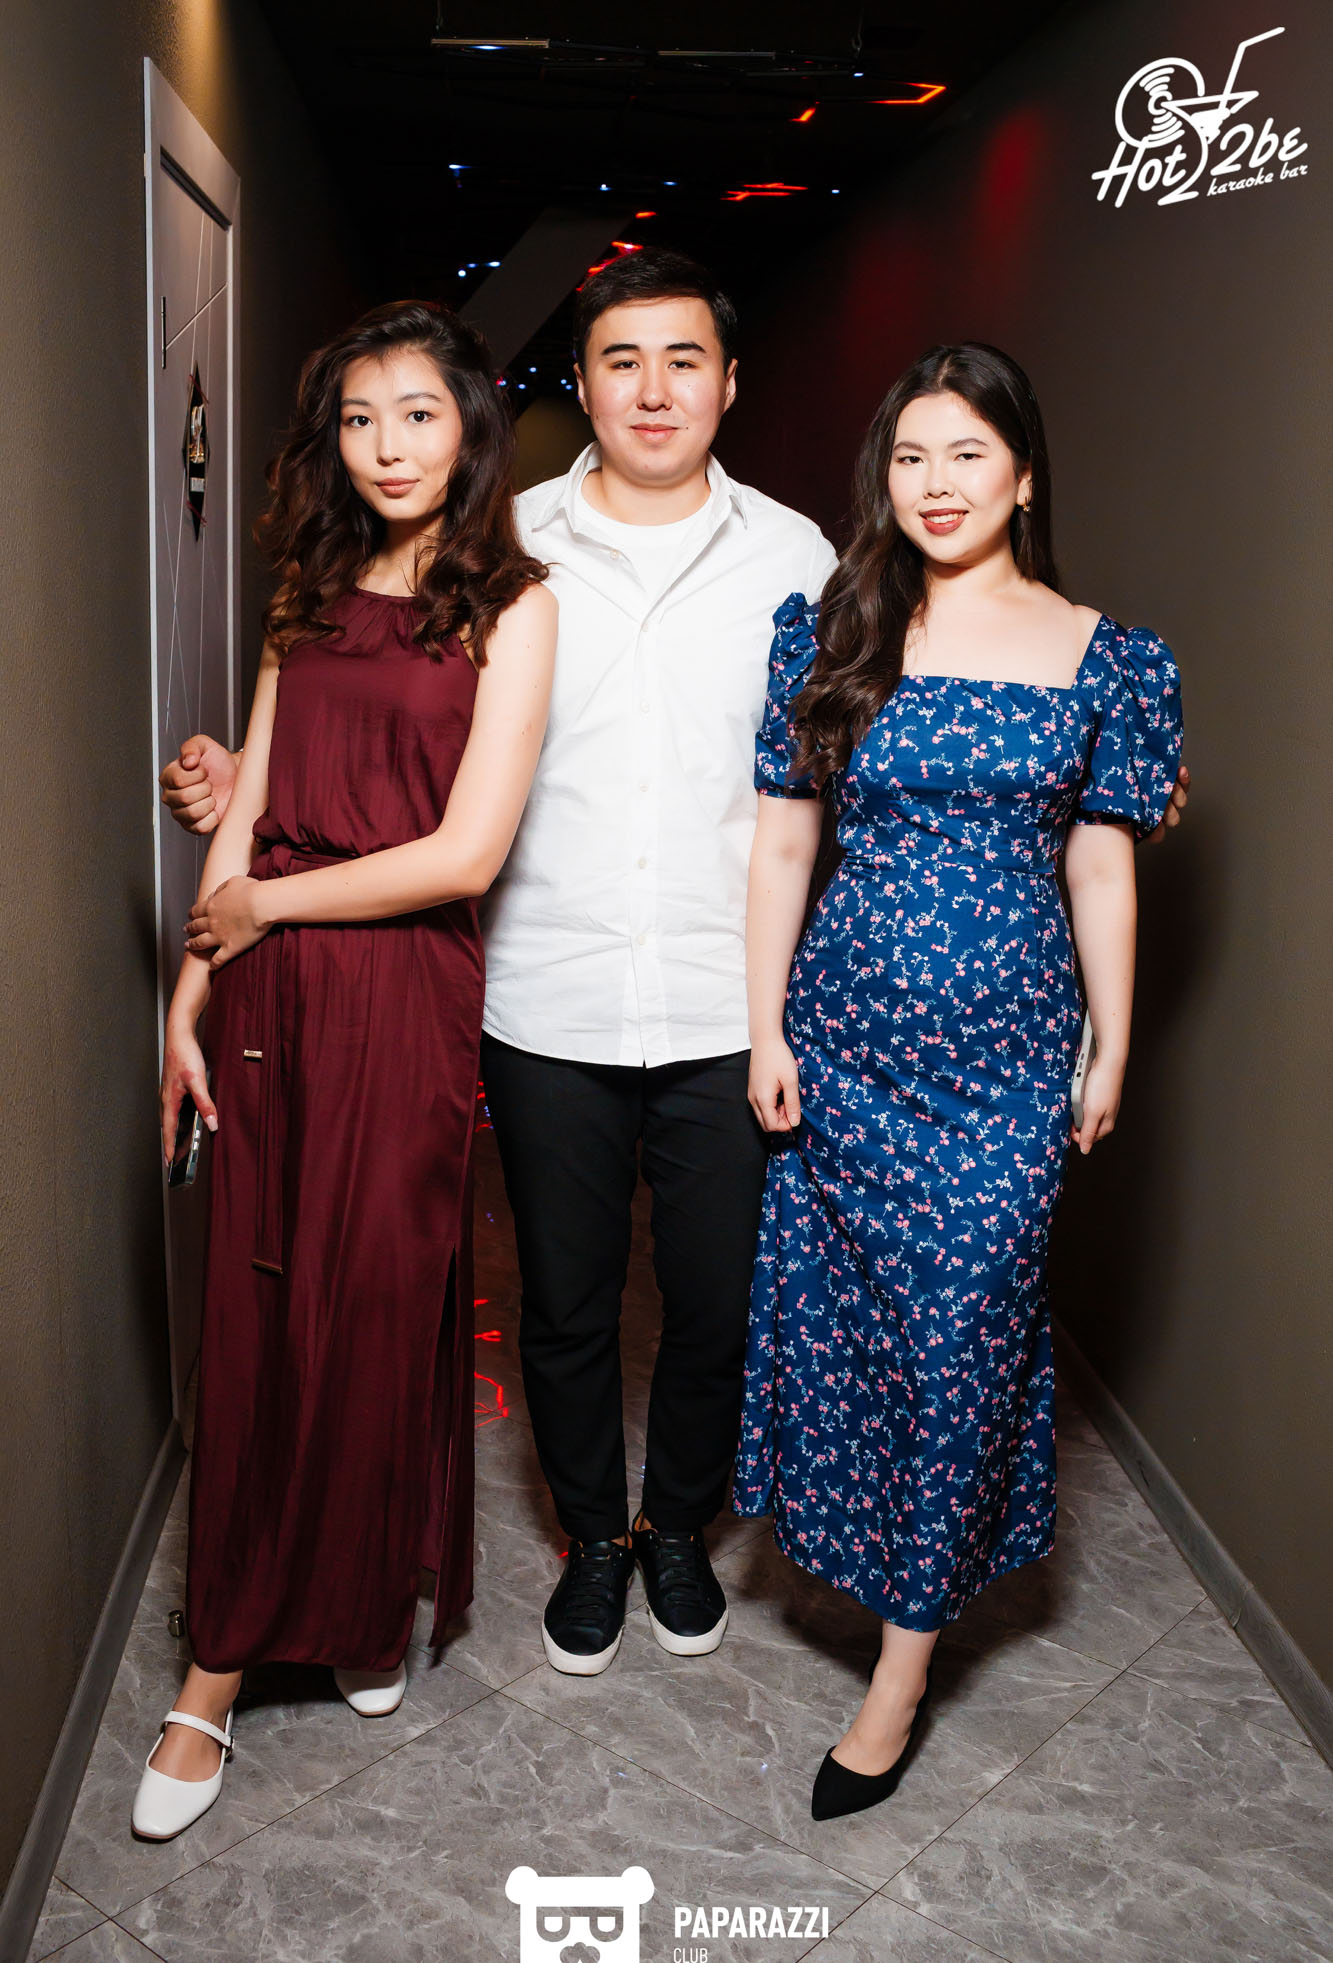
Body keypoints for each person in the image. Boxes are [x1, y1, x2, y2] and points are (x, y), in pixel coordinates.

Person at [159, 256, 1191, 1689]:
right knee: (566, 1305)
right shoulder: (496, 547)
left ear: (728, 383)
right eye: (620, 361)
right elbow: (378, 713)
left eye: (683, 360)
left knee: (717, 1306)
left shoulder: (807, 565)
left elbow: (922, 734)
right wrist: (242, 787)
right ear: (576, 385)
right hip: (544, 989)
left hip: (734, 1003)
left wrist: (1109, 787)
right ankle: (593, 1536)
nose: (652, 390)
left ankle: (678, 1530)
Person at [735, 342, 1184, 1823]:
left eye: (967, 455)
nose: (935, 484)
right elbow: (784, 843)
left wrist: (1112, 1041)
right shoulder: (830, 631)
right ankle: (864, 1569)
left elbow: (1102, 862)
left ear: (1024, 474)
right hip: (845, 1049)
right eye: (910, 457)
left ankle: (902, 1670)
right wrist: (766, 1028)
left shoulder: (1107, 656)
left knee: (966, 1338)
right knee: (857, 1331)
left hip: (1007, 1072)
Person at [133, 300, 555, 1842]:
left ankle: (366, 1601)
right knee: (258, 1307)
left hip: (403, 986)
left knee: (376, 1298)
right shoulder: (306, 589)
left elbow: (467, 852)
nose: (388, 446)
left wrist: (272, 907)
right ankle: (215, 1672)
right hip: (267, 987)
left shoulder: (514, 604)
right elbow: (250, 809)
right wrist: (189, 995)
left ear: (468, 429)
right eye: (361, 419)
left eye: (418, 415)